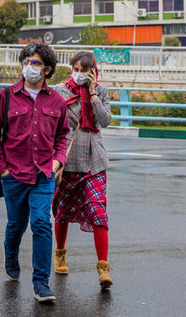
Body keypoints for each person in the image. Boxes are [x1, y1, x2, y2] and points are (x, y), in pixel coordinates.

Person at [0, 43, 70, 303]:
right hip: (14, 176)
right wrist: (4, 171)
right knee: (16, 225)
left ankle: (41, 283)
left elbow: (62, 137)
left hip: (44, 174)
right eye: (26, 61)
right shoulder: (6, 97)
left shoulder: (57, 101)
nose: (29, 67)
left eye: (35, 63)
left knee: (42, 223)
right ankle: (10, 255)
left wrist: (57, 163)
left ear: (47, 69)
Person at [51, 51, 114, 289]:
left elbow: (105, 120)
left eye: (84, 70)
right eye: (75, 69)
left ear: (93, 73)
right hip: (67, 160)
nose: (79, 74)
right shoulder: (59, 91)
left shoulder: (102, 91)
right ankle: (60, 252)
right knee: (63, 210)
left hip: (94, 160)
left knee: (98, 211)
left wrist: (93, 93)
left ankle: (103, 269)